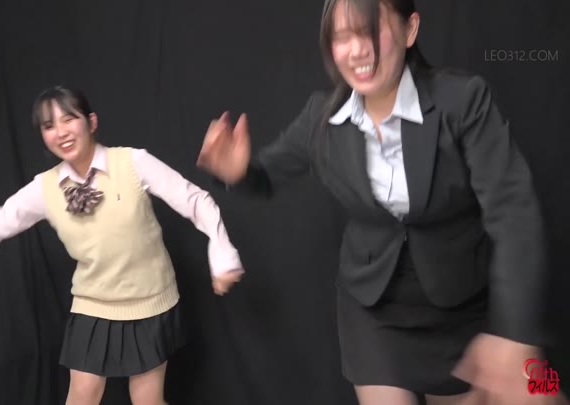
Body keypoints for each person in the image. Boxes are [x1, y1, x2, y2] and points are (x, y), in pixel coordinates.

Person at [196, 0, 554, 404]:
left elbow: (513, 213)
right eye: (341, 37)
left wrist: (515, 334)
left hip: (462, 307)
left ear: (409, 30)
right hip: (373, 309)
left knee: (538, 395)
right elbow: (262, 179)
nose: (357, 50)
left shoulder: (463, 100)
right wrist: (236, 173)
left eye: (370, 32)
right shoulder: (321, 119)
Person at [0, 85, 244, 405]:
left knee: (147, 401)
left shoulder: (133, 162)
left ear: (92, 122)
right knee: (81, 397)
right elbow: (2, 220)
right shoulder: (46, 188)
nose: (60, 132)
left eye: (69, 119)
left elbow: (195, 201)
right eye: (49, 126)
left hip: (150, 301)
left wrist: (222, 253)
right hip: (93, 303)